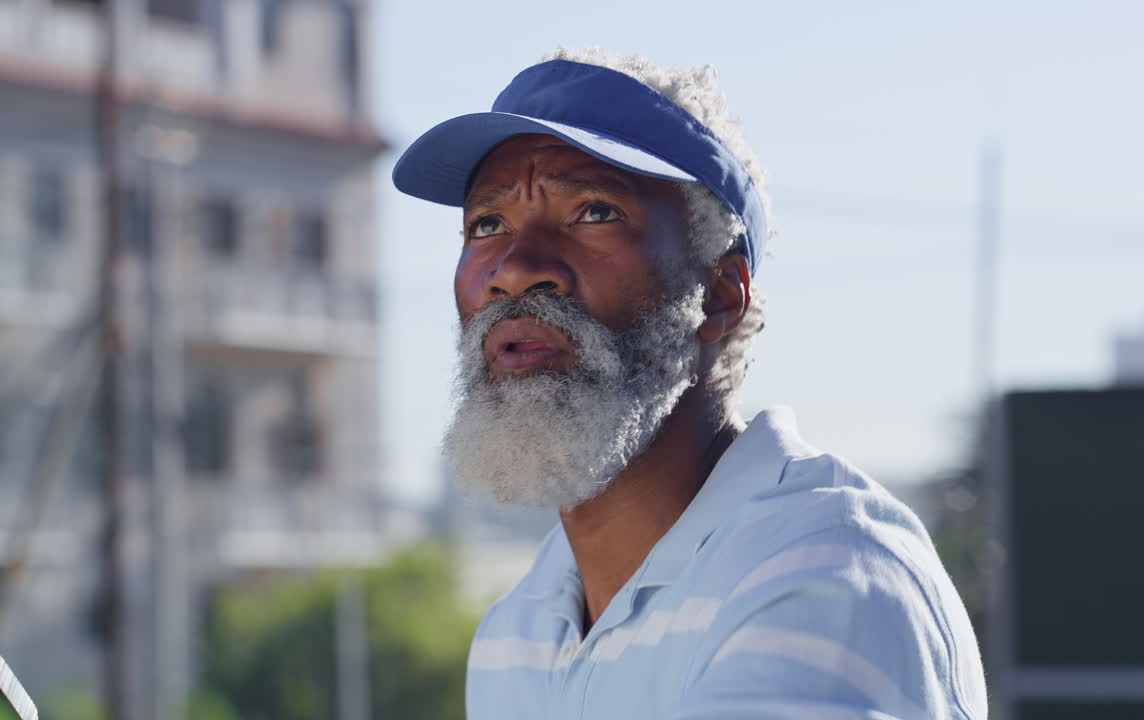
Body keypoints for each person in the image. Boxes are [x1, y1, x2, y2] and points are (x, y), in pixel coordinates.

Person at [393, 47, 987, 720]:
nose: (516, 268)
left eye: (593, 211)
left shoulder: (820, 570)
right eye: (487, 224)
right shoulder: (516, 634)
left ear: (720, 294)